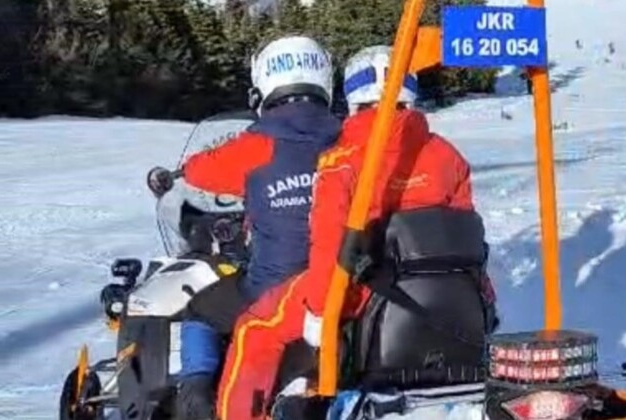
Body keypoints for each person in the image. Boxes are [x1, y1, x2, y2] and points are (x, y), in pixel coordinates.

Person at [215, 45, 496, 419]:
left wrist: (318, 312)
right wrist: (484, 297)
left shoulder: (342, 158)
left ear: (351, 97)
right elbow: (467, 236)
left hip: (369, 290)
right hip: (455, 293)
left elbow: (330, 242)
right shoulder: (447, 155)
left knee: (255, 328)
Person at [149, 35, 341, 418]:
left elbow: (204, 168)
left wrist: (181, 171)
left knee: (200, 310)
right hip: (342, 286)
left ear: (264, 82)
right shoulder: (346, 134)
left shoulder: (258, 143)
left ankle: (198, 393)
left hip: (275, 286)